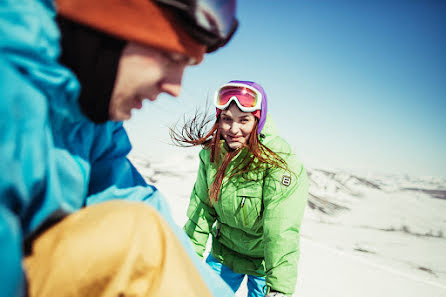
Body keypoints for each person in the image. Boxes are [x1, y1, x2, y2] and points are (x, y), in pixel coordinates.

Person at [0, 0, 239, 296]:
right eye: (172, 56)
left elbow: (139, 206)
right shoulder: (8, 90)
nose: (176, 86)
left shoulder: (92, 124)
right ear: (110, 23)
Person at [170, 81, 309, 297]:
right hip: (224, 256)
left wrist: (279, 289)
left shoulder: (279, 161)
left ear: (258, 120)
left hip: (264, 264)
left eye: (244, 120)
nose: (233, 130)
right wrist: (188, 262)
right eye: (227, 119)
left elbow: (280, 229)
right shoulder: (212, 154)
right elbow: (201, 211)